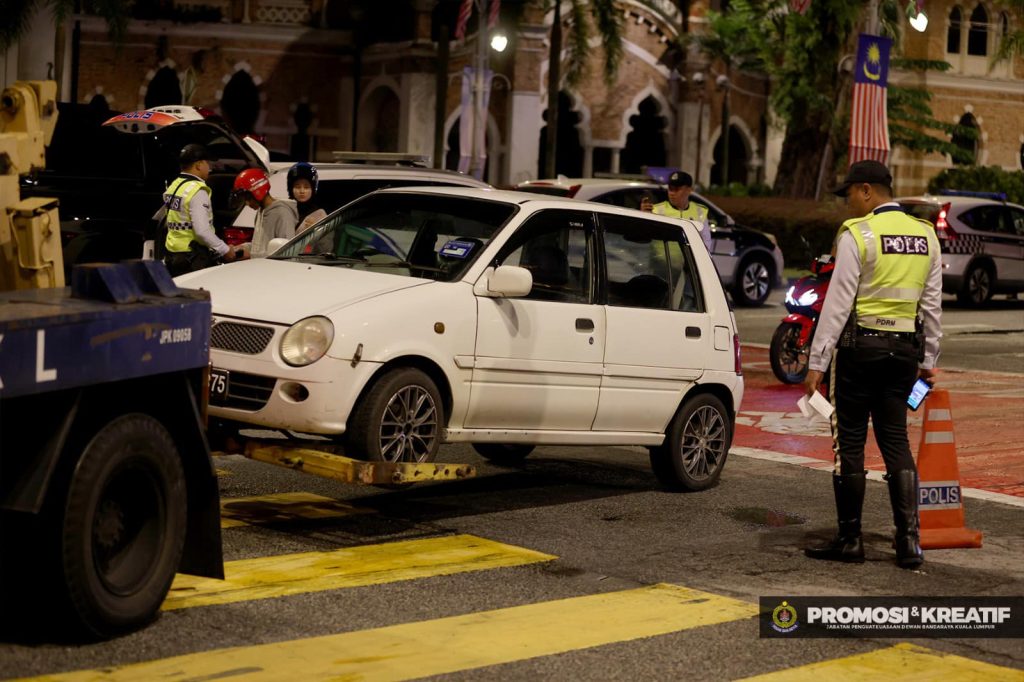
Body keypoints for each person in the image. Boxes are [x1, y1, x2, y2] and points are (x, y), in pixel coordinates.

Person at [803, 160, 942, 569]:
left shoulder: (857, 235)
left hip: (859, 353)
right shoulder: (926, 236)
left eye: (849, 194)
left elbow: (837, 303)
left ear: (867, 191)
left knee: (849, 444)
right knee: (895, 440)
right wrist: (929, 359)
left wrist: (816, 361)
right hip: (903, 355)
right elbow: (931, 306)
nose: (848, 202)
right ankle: (908, 542)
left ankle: (850, 540)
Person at [157, 143, 236, 276]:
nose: (209, 168)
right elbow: (202, 231)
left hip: (172, 254)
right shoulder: (197, 190)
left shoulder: (174, 186)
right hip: (192, 257)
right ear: (198, 165)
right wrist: (225, 250)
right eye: (207, 163)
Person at [640, 171, 713, 254]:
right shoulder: (656, 210)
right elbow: (643, 238)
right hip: (660, 264)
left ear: (689, 190)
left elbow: (706, 242)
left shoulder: (700, 212)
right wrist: (643, 217)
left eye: (677, 189)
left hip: (688, 266)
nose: (672, 193)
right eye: (670, 189)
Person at [233, 168, 299, 258]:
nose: (247, 203)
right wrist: (242, 248)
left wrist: (251, 255)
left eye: (248, 198)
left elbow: (286, 253)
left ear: (258, 191)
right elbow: (260, 247)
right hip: (259, 268)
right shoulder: (261, 212)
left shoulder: (283, 214)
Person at [287, 162, 327, 232]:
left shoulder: (319, 214)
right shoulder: (286, 210)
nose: (302, 191)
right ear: (291, 189)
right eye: (297, 187)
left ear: (313, 189)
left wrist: (315, 232)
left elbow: (327, 241)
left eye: (306, 187)